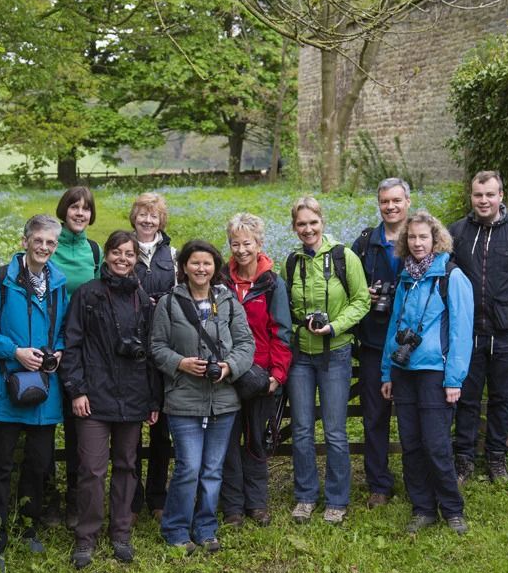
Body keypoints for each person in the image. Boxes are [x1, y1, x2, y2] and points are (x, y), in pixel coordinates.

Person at [0, 214, 67, 571]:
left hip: (42, 391)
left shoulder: (59, 284)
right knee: (0, 467)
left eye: (50, 243)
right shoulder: (0, 281)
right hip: (2, 391)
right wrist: (15, 352)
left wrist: (56, 353)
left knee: (39, 464)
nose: (44, 248)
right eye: (38, 241)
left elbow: (62, 333)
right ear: (25, 241)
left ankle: (29, 528)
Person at [58, 230, 160, 568]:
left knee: (128, 466)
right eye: (116, 253)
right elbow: (70, 345)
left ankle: (121, 533)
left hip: (132, 397)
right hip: (93, 397)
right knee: (91, 468)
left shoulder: (143, 299)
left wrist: (153, 400)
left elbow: (152, 353)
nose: (122, 259)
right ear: (107, 256)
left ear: (136, 259)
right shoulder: (87, 295)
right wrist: (77, 389)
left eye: (129, 255)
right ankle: (86, 536)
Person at [150, 240, 255, 553]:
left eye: (207, 263)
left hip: (223, 400)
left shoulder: (228, 301)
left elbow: (245, 344)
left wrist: (228, 368)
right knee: (189, 467)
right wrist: (181, 363)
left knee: (212, 470)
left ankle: (206, 529)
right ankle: (176, 529)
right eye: (194, 263)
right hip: (183, 399)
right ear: (184, 267)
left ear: (215, 267)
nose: (201, 268)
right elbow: (156, 347)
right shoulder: (169, 303)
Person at [379, 209, 473, 535]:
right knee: (411, 443)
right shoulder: (406, 278)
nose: (417, 243)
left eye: (423, 237)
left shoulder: (451, 277)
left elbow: (462, 332)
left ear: (436, 239)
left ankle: (452, 508)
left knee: (435, 444)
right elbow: (395, 326)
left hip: (436, 372)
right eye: (412, 237)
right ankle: (423, 508)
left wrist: (454, 379)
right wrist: (387, 373)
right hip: (405, 371)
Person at [449, 171, 508, 483]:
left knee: (502, 399)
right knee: (466, 398)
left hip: (507, 332)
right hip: (469, 333)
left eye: (490, 194)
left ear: (501, 196)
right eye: (478, 195)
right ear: (471, 197)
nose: (484, 200)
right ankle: (463, 460)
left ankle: (496, 459)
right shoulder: (458, 233)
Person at [286, 197, 370, 525]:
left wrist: (333, 326)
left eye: (313, 222)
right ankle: (305, 496)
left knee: (335, 431)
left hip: (336, 352)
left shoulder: (343, 256)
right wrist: (300, 326)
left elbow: (361, 300)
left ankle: (337, 498)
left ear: (322, 221)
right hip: (301, 357)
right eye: (301, 224)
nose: (308, 229)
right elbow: (287, 310)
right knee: (303, 429)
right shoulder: (291, 262)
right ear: (294, 228)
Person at [219, 213, 292, 528]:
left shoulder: (273, 283)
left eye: (247, 243)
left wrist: (277, 374)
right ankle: (233, 506)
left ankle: (257, 503)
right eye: (235, 243)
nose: (240, 249)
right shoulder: (220, 280)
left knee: (256, 439)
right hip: (225, 373)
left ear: (259, 243)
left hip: (260, 374)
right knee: (227, 439)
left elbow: (282, 331)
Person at [351, 177, 411, 509]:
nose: (390, 207)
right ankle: (378, 483)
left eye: (396, 201)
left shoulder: (421, 239)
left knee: (412, 414)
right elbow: (347, 290)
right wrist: (366, 295)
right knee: (374, 416)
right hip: (375, 343)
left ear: (407, 202)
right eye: (385, 201)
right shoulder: (363, 244)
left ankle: (416, 477)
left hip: (411, 344)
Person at [47, 186, 101, 528]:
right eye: (74, 207)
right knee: (42, 427)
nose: (80, 213)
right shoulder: (49, 247)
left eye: (86, 209)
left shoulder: (94, 250)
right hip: (46, 350)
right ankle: (44, 498)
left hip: (80, 352)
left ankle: (75, 502)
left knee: (78, 427)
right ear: (63, 211)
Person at [129, 192, 178, 523]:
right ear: (134, 217)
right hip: (129, 349)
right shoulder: (121, 249)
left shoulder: (173, 255)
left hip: (162, 346)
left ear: (162, 221)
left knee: (162, 429)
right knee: (130, 426)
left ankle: (158, 496)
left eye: (154, 216)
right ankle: (131, 500)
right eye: (143, 215)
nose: (148, 220)